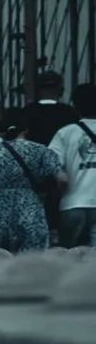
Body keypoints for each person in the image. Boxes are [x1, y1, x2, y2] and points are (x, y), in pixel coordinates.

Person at [0, 107, 64, 251]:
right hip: (29, 205)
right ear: (26, 130)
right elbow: (62, 177)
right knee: (32, 259)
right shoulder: (41, 150)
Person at [48, 79, 96, 246]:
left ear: (75, 107)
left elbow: (52, 165)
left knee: (71, 261)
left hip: (73, 203)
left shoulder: (66, 133)